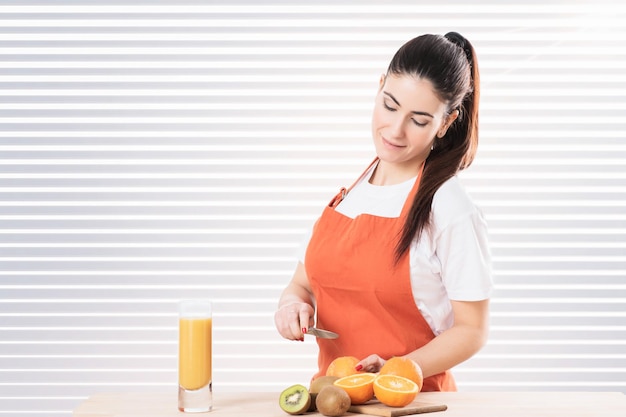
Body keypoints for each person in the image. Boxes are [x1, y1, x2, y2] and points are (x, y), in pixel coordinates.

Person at [274, 32, 493, 391]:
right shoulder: (352, 193)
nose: (395, 129)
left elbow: (473, 330)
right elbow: (301, 285)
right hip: (336, 398)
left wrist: (398, 367)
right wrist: (291, 306)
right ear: (379, 87)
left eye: (419, 120)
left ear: (446, 122)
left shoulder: (450, 207)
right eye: (390, 106)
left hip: (411, 402)